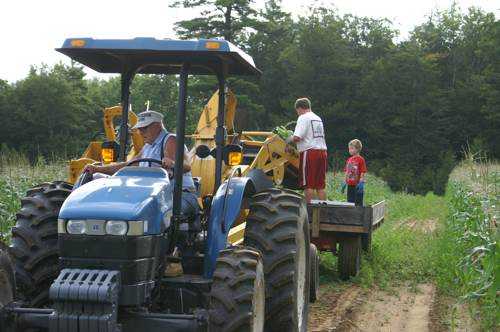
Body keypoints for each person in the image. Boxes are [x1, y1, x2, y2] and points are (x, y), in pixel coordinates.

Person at [83, 110, 199, 218]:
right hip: (154, 195)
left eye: (144, 128)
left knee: (158, 211)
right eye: (139, 129)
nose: (140, 132)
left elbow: (186, 166)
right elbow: (129, 165)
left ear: (157, 125)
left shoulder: (171, 140)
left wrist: (173, 163)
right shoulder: (147, 147)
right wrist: (98, 169)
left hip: (179, 195)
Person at [286, 98, 328, 203]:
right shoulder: (317, 118)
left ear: (299, 108)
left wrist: (288, 140)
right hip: (322, 152)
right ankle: (324, 212)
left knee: (308, 184)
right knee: (320, 185)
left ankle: (309, 212)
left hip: (310, 153)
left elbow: (297, 137)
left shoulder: (303, 117)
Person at [341, 139, 367, 206]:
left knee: (358, 202)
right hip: (350, 185)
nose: (350, 150)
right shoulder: (349, 160)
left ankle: (359, 215)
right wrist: (344, 181)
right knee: (350, 202)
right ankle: (350, 215)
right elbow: (347, 171)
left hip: (357, 185)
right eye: (349, 148)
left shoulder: (361, 159)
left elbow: (362, 171)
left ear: (357, 149)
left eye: (352, 148)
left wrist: (361, 182)